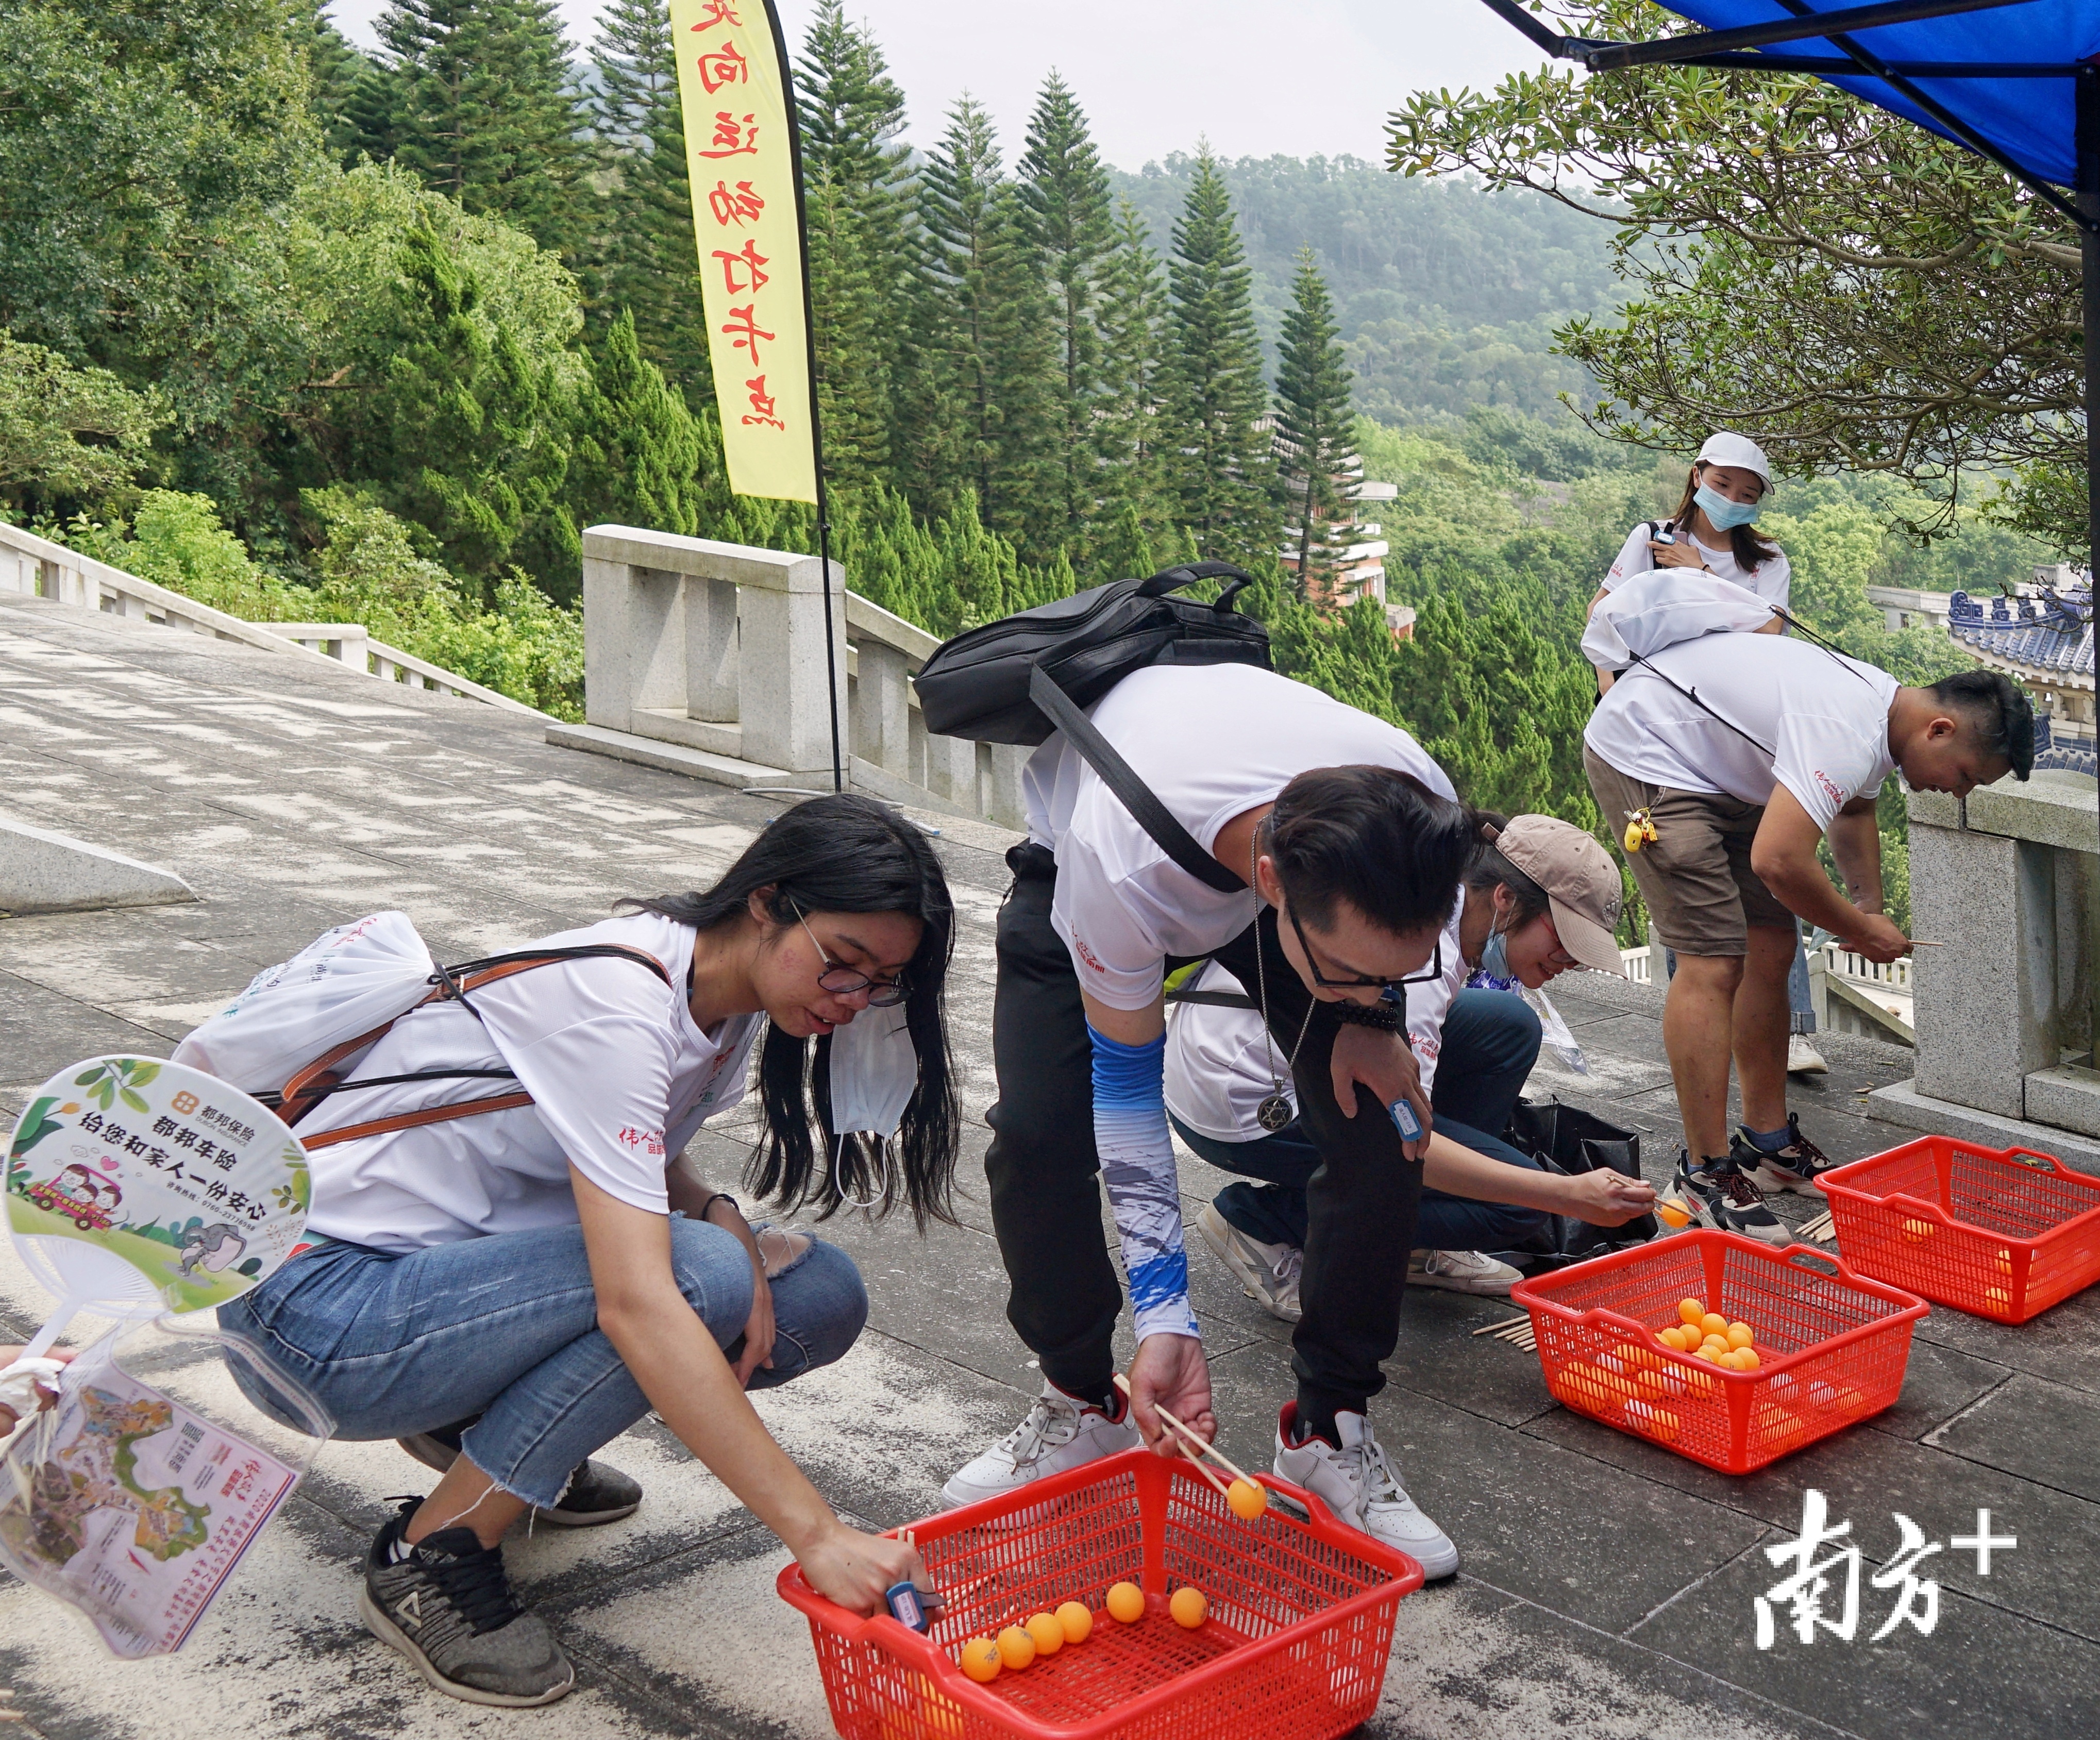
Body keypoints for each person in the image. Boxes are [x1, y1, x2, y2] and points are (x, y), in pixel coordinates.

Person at [217, 795, 957, 1708]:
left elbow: (621, 1131)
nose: (853, 1001)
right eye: (844, 964)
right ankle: (434, 1552)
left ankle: (477, 1435)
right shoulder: (618, 999)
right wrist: (818, 1534)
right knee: (694, 1282)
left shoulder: (720, 998)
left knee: (816, 1292)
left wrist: (715, 1205)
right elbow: (639, 1299)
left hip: (428, 1281)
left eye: (881, 983)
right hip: (312, 1314)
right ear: (767, 902)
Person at [944, 659, 1483, 1579]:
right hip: (1109, 843)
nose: (1376, 990)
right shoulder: (1121, 872)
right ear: (1271, 886)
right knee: (1038, 1137)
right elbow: (1125, 1096)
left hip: (1297, 878)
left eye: (1399, 968)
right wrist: (1168, 1316)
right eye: (1358, 974)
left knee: (1385, 1125)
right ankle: (1081, 1403)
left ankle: (1328, 1435)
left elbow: (1375, 967)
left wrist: (1371, 1016)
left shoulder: (1419, 814)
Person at [1584, 631, 2032, 1238]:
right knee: (1713, 959)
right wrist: (1859, 930)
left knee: (1772, 944)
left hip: (1724, 775)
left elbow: (1853, 811)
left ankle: (1767, 1146)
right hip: (1650, 756)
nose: (1957, 791)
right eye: (1965, 776)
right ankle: (1703, 1173)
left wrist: (1866, 907)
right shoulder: (1847, 728)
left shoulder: (1881, 713)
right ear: (1940, 730)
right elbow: (1780, 862)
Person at [1168, 815, 1654, 1308]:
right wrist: (1565, 1193)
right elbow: (1405, 1140)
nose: (1569, 960)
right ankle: (1260, 1221)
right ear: (1505, 898)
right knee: (1512, 1207)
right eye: (1564, 939)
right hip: (1246, 1108)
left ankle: (1418, 1238)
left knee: (1506, 1026)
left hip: (1221, 1051)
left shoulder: (1443, 895)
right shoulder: (1419, 964)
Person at [1591, 430, 1826, 1075]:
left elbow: (1770, 632)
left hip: (1741, 734)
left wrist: (1697, 578)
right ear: (1697, 476)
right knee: (1689, 895)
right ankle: (1702, 1020)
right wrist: (1615, 698)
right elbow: (1604, 618)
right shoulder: (1650, 540)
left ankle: (1792, 1031)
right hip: (1661, 737)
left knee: (1769, 888)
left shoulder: (1764, 562)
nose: (1730, 500)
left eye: (1746, 494)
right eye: (1722, 484)